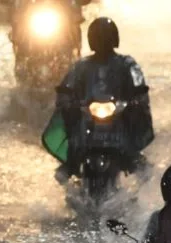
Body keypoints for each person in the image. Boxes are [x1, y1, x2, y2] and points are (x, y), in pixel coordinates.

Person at [54, 17, 154, 183]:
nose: (102, 42)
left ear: (114, 39)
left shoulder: (127, 63)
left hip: (118, 116)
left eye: (106, 37)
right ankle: (70, 165)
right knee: (75, 145)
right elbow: (67, 85)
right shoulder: (81, 66)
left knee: (134, 156)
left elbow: (138, 81)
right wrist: (67, 99)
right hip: (88, 118)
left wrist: (136, 98)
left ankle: (143, 176)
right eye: (99, 38)